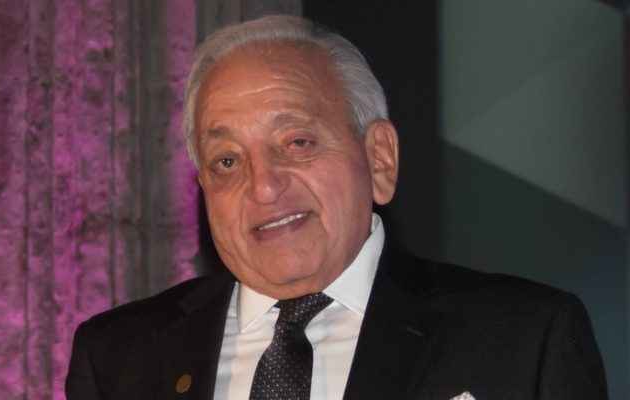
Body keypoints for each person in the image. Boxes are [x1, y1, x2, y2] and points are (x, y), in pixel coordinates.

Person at [66, 15, 607, 400]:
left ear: (379, 158)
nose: (263, 187)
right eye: (227, 161)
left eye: (297, 143)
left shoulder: (526, 341)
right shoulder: (118, 358)